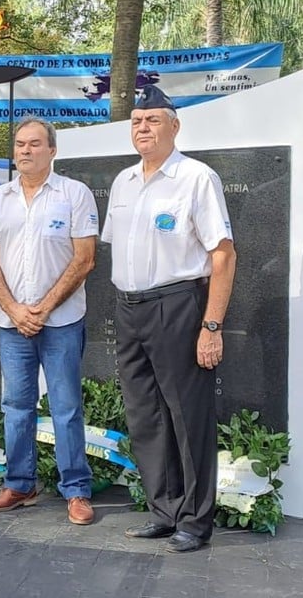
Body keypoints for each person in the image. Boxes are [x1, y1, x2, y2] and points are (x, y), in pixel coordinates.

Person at [100, 86, 235, 553]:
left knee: (187, 415)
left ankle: (196, 522)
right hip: (129, 307)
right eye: (137, 121)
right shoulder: (123, 182)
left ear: (174, 126)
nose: (143, 128)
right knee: (145, 416)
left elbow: (222, 254)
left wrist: (211, 325)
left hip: (177, 305)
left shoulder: (197, 178)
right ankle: (164, 510)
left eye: (153, 120)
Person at [0, 116, 98, 527]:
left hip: (61, 321)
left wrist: (42, 309)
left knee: (65, 407)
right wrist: (13, 309)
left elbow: (84, 260)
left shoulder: (74, 195)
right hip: (13, 325)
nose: (24, 151)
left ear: (52, 150)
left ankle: (77, 490)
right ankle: (20, 483)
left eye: (34, 144)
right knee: (16, 406)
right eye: (19, 144)